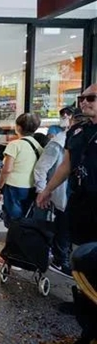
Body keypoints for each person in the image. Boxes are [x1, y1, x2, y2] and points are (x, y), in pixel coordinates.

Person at [38, 84, 97, 246]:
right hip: (79, 199)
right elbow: (66, 164)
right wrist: (47, 190)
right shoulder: (77, 131)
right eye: (81, 98)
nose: (84, 102)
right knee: (80, 249)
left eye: (91, 98)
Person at [34, 124, 71, 278]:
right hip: (63, 191)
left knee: (69, 226)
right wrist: (42, 190)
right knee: (64, 225)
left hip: (77, 192)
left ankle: (64, 257)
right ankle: (60, 259)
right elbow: (42, 167)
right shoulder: (59, 142)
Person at [0, 113, 43, 226]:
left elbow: (7, 169)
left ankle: (14, 241)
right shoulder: (38, 146)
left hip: (14, 186)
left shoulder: (14, 145)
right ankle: (23, 240)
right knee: (26, 219)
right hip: (31, 187)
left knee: (13, 220)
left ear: (18, 127)